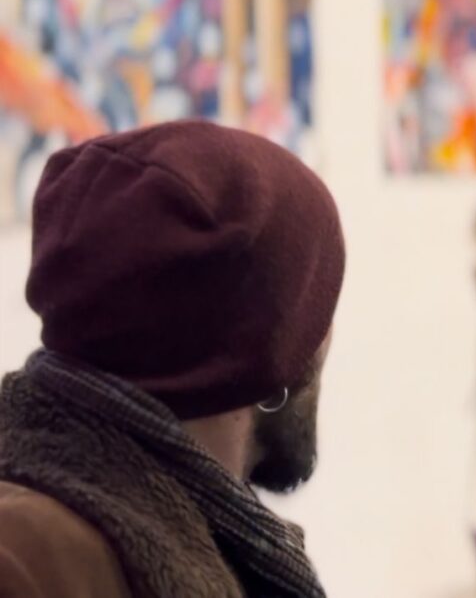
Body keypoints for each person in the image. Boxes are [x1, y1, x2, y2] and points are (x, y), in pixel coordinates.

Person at [0, 120, 345, 597]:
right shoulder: (26, 567)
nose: (327, 335)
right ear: (274, 350)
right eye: (317, 308)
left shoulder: (215, 539)